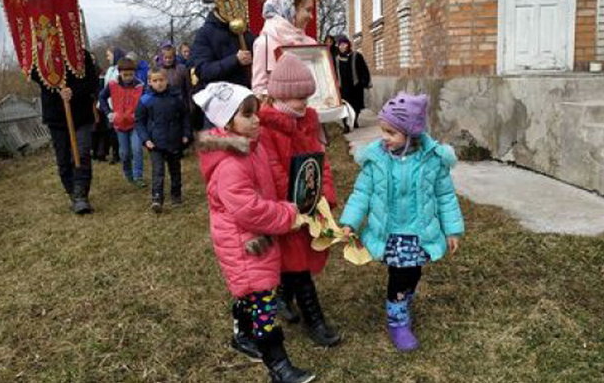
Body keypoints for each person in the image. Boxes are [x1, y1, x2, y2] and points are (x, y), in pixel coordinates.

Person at [196, 81, 316, 383]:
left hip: (256, 239)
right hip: (245, 244)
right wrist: (288, 214)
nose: (256, 120)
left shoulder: (253, 146)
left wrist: (292, 199)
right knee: (263, 300)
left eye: (256, 113)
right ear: (227, 121)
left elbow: (269, 183)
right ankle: (279, 365)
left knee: (249, 292)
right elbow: (249, 210)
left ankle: (241, 335)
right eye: (247, 115)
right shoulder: (230, 164)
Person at [339, 92, 465, 351]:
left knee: (414, 272)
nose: (384, 137)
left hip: (419, 233)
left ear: (411, 134)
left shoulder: (433, 160)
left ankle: (403, 301)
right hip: (391, 233)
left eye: (391, 133)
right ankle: (397, 321)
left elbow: (445, 196)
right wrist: (350, 222)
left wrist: (452, 229)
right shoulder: (376, 159)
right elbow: (362, 194)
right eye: (383, 130)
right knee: (399, 276)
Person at [258, 53, 341, 347]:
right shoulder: (265, 129)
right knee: (298, 263)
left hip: (309, 204)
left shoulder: (308, 121)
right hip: (288, 208)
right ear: (280, 96)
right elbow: (274, 171)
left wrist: (324, 194)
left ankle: (282, 295)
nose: (304, 103)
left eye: (307, 96)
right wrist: (295, 205)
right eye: (298, 98)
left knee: (295, 261)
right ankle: (314, 318)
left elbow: (321, 161)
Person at [30, 49, 99, 214]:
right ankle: (73, 194)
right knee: (63, 159)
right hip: (56, 116)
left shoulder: (81, 54)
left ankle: (82, 195)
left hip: (81, 115)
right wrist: (56, 88)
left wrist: (73, 91)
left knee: (81, 154)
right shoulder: (38, 54)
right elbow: (34, 74)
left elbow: (92, 82)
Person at [190, 7, 256, 130]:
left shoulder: (245, 32)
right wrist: (234, 60)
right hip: (219, 110)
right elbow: (203, 71)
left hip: (245, 106)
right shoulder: (205, 34)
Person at [135, 68, 191, 213]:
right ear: (150, 82)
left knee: (175, 169)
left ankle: (176, 194)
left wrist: (186, 133)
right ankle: (157, 198)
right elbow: (139, 122)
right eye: (155, 81)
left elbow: (185, 116)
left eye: (161, 80)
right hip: (155, 143)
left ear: (167, 80)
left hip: (174, 139)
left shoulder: (176, 97)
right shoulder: (145, 100)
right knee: (158, 171)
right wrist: (145, 139)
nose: (159, 83)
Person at [252, 0, 317, 96]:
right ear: (291, 9)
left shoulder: (311, 44)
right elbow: (259, 90)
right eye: (308, 10)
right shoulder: (264, 44)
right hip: (280, 113)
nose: (311, 16)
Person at [98, 57, 146, 187]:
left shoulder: (140, 86)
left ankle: (138, 176)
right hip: (119, 124)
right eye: (125, 75)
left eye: (131, 74)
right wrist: (108, 113)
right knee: (124, 153)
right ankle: (128, 173)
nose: (128, 78)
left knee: (137, 149)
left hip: (135, 123)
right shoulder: (113, 85)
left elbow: (146, 102)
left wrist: (142, 115)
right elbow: (102, 97)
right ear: (119, 73)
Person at [335, 36, 371, 131]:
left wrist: (364, 81)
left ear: (348, 45)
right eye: (340, 45)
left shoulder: (356, 55)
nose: (342, 46)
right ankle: (346, 125)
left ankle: (354, 120)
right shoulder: (337, 59)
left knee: (356, 106)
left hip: (355, 86)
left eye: (344, 44)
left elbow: (364, 69)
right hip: (342, 87)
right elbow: (333, 72)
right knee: (344, 106)